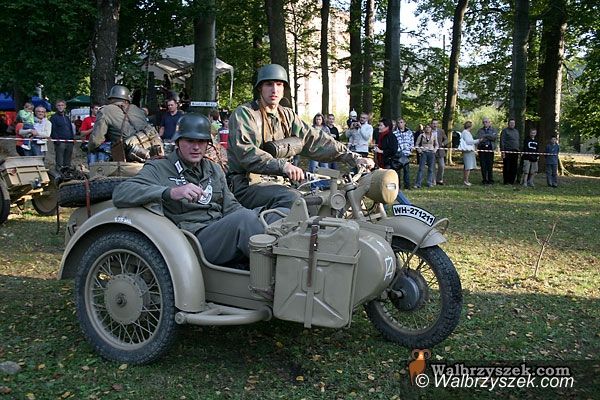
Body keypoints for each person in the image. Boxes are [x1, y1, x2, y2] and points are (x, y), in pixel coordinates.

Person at [112, 114, 283, 266]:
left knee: (279, 215)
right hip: (192, 241)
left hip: (220, 230)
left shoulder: (214, 169)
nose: (196, 147)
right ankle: (274, 276)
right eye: (190, 141)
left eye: (201, 141)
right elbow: (121, 193)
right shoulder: (160, 168)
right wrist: (171, 192)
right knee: (245, 219)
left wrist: (258, 217)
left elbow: (231, 207)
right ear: (178, 142)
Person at [227, 63, 373, 210]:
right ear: (260, 88)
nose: (274, 89)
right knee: (293, 200)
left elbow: (315, 140)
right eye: (269, 84)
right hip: (247, 185)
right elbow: (247, 153)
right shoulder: (245, 114)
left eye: (279, 84)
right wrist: (283, 166)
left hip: (281, 183)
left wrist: (353, 157)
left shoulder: (287, 116)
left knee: (321, 204)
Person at [89, 85, 163, 162]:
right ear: (127, 99)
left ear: (111, 98)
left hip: (128, 156)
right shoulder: (137, 109)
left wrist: (90, 148)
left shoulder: (105, 111)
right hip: (151, 151)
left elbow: (96, 140)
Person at [49, 99, 75, 169]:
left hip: (69, 141)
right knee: (60, 161)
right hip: (60, 142)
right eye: (59, 105)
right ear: (56, 106)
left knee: (68, 161)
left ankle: (67, 172)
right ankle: (59, 172)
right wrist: (57, 141)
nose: (60, 107)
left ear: (65, 106)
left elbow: (70, 129)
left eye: (62, 105)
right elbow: (53, 130)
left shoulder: (67, 118)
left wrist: (72, 140)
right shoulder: (53, 117)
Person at [476, 117, 498, 185]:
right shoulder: (480, 130)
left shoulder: (493, 129)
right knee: (483, 165)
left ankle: (490, 179)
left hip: (490, 148)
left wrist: (485, 136)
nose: (485, 123)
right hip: (482, 148)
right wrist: (488, 136)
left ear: (489, 122)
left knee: (490, 164)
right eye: (484, 122)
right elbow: (480, 138)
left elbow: (494, 137)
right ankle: (484, 180)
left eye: (486, 122)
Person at [500, 118, 520, 185]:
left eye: (513, 123)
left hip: (515, 151)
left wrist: (519, 150)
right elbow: (502, 141)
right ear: (508, 124)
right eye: (511, 123)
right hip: (507, 151)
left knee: (514, 167)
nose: (512, 124)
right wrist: (503, 151)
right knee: (507, 167)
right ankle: (506, 181)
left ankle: (512, 181)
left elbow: (518, 141)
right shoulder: (505, 131)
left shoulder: (516, 131)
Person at [459, 121, 479, 186]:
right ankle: (466, 180)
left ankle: (466, 180)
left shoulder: (467, 132)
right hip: (468, 151)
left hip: (469, 151)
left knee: (467, 166)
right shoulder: (465, 132)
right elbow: (469, 142)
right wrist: (478, 140)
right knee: (468, 166)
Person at [431, 119, 447, 185]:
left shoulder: (441, 131)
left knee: (441, 166)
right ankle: (433, 180)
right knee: (432, 166)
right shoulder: (429, 130)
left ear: (438, 124)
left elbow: (446, 139)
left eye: (436, 123)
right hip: (432, 150)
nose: (435, 125)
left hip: (440, 151)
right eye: (433, 123)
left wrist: (443, 143)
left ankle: (439, 179)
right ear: (431, 124)